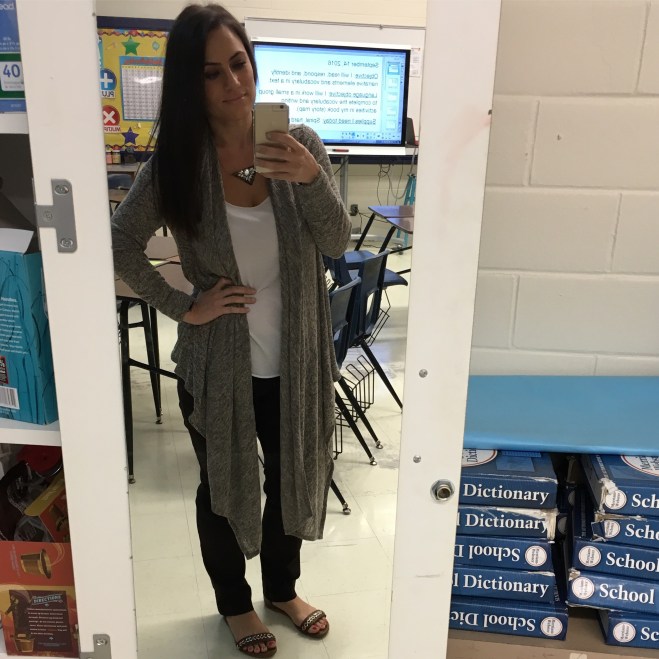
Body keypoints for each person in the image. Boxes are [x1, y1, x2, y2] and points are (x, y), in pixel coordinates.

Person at [110, 4, 351, 657]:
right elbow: (121, 241)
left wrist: (309, 179)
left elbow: (336, 241)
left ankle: (282, 589)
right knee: (222, 487)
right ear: (191, 85)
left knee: (292, 475)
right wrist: (185, 305)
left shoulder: (299, 144)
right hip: (218, 365)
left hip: (296, 360)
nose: (233, 83)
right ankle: (235, 605)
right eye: (212, 72)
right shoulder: (177, 166)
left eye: (239, 63)